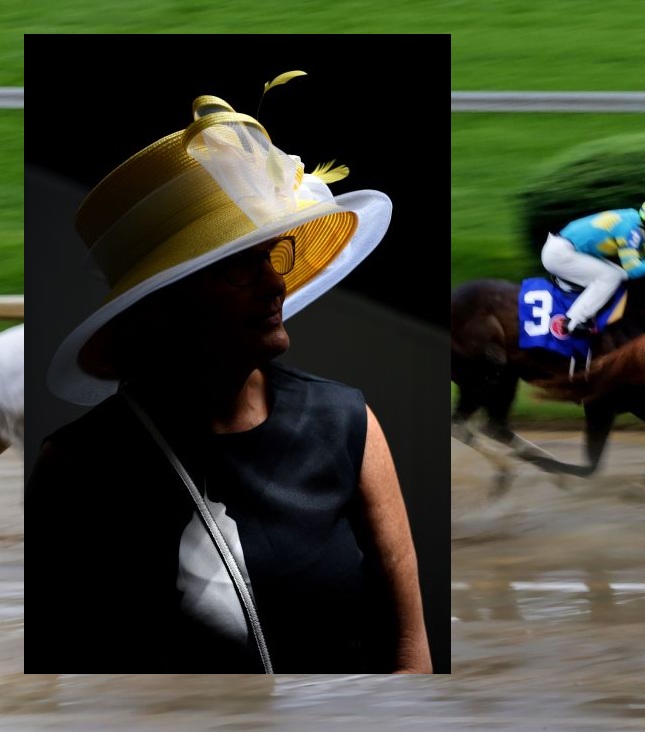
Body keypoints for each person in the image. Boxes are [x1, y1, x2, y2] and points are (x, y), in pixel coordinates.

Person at [26, 79, 432, 673]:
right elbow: (61, 679)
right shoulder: (77, 468)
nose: (275, 284)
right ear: (162, 303)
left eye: (272, 255)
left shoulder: (347, 425)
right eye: (238, 266)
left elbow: (411, 654)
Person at [540, 195, 645, 336]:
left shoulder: (635, 222)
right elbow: (632, 270)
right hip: (559, 254)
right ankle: (574, 321)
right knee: (612, 276)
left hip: (563, 249)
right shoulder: (631, 230)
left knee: (619, 274)